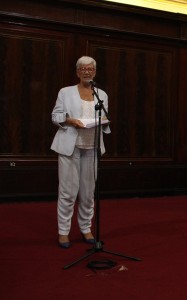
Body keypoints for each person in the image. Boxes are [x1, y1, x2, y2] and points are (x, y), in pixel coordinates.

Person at [51, 56, 111, 248]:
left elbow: (104, 117)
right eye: (83, 69)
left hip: (92, 147)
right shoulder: (65, 92)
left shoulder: (101, 94)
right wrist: (70, 120)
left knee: (87, 193)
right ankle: (63, 231)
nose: (87, 72)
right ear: (77, 72)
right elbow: (55, 115)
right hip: (71, 147)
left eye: (90, 69)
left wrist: (104, 122)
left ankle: (86, 228)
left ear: (95, 72)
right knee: (68, 192)